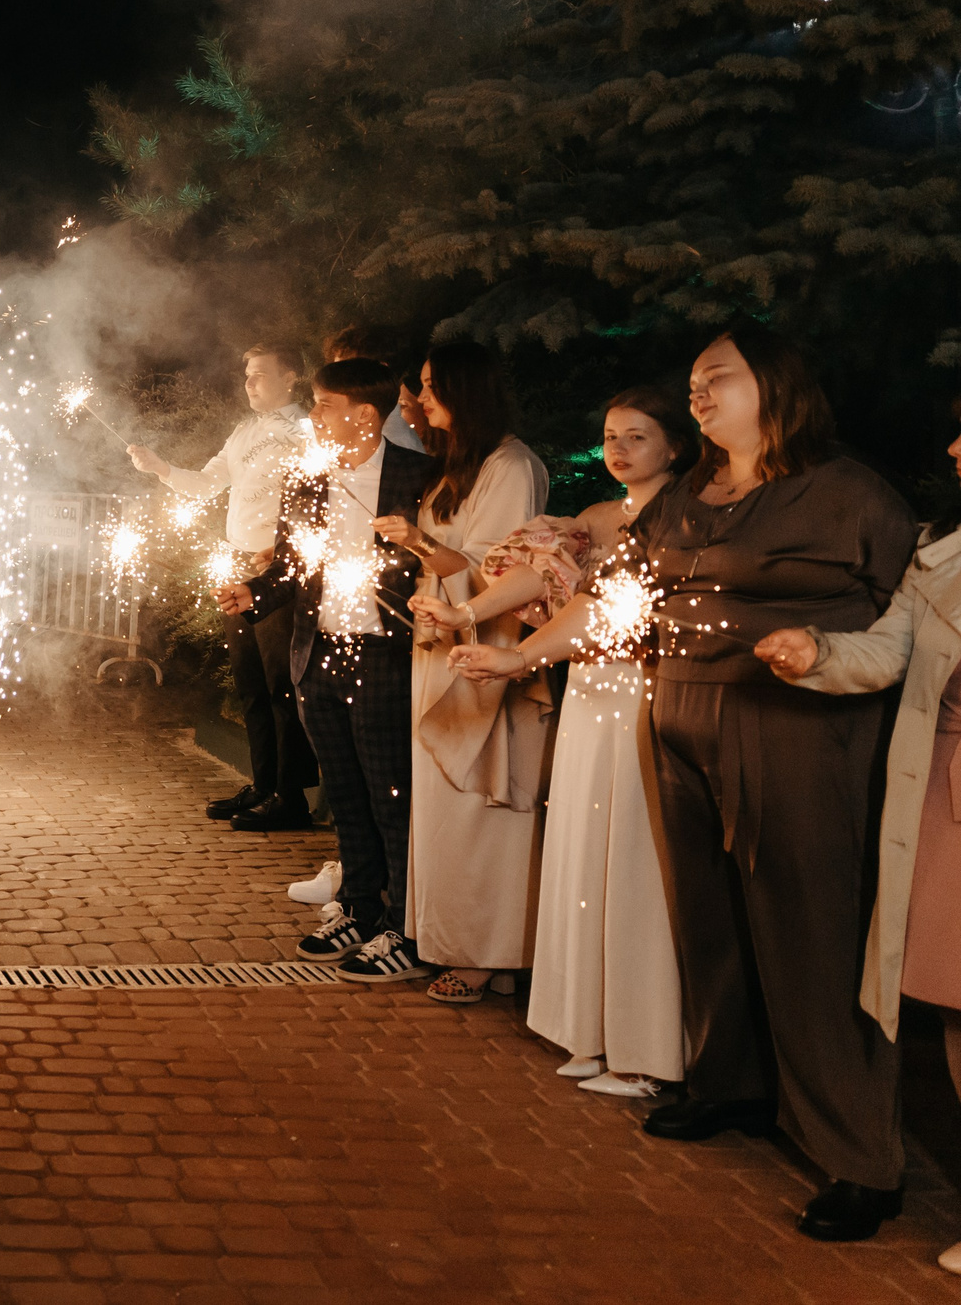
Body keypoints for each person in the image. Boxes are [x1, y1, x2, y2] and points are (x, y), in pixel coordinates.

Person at [618, 326, 913, 1243]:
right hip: (677, 711)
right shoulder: (687, 495)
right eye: (695, 383)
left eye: (719, 379)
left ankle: (860, 1154)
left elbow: (913, 617)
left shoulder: (846, 492)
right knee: (706, 914)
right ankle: (733, 1084)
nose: (698, 395)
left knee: (808, 923)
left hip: (792, 725)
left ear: (774, 385)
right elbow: (636, 586)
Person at [755, 402, 961, 1270]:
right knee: (955, 1001)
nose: (953, 446)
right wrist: (818, 653)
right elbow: (890, 649)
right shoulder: (942, 552)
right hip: (947, 800)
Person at [450, 388, 696, 1093]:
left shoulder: (684, 517)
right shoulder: (592, 518)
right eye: (612, 434)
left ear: (673, 447)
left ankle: (644, 1045)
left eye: (639, 437)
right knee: (584, 845)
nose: (619, 448)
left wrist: (521, 655)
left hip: (646, 686)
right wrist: (468, 613)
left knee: (632, 851)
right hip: (586, 682)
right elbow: (538, 578)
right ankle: (585, 1024)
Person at [220, 357, 435, 983]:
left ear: (365, 415)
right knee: (344, 795)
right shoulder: (307, 480)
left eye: (324, 406)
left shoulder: (417, 477)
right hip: (318, 657)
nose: (314, 417)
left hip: (386, 655)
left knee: (390, 795)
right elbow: (292, 563)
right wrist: (255, 595)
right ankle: (360, 909)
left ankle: (405, 925)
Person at [378, 343, 549, 1003]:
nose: (420, 400)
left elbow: (503, 570)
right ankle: (460, 942)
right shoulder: (460, 464)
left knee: (483, 801)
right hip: (439, 640)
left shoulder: (511, 465)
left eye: (430, 387)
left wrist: (418, 543)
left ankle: (488, 950)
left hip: (487, 649)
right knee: (446, 805)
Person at [129, 343, 314, 830]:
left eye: (259, 374)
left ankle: (290, 798)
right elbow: (209, 483)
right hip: (236, 565)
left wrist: (285, 550)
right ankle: (263, 783)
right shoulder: (243, 432)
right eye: (247, 375)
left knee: (279, 686)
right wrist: (161, 468)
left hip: (276, 571)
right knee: (250, 683)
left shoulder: (307, 432)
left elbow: (322, 502)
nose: (249, 383)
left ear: (290, 376)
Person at [323, 325, 427, 454]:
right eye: (335, 372)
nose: (338, 381)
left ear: (381, 371)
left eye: (347, 371)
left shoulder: (396, 444)